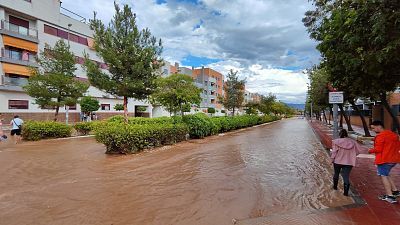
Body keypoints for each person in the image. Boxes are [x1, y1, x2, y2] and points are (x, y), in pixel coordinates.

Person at [369, 120, 400, 204]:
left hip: (384, 160)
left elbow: (378, 149)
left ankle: (389, 196)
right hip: (394, 159)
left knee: (383, 176)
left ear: (379, 126)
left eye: (373, 128)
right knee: (386, 174)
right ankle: (395, 191)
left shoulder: (380, 136)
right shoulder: (393, 135)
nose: (373, 130)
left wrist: (370, 150)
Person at [331, 129, 365, 196]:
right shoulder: (353, 142)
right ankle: (346, 193)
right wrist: (352, 155)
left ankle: (335, 187)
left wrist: (332, 159)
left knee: (336, 174)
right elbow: (359, 150)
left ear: (340, 134)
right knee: (346, 176)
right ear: (347, 134)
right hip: (349, 162)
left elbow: (334, 152)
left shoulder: (336, 141)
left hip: (338, 161)